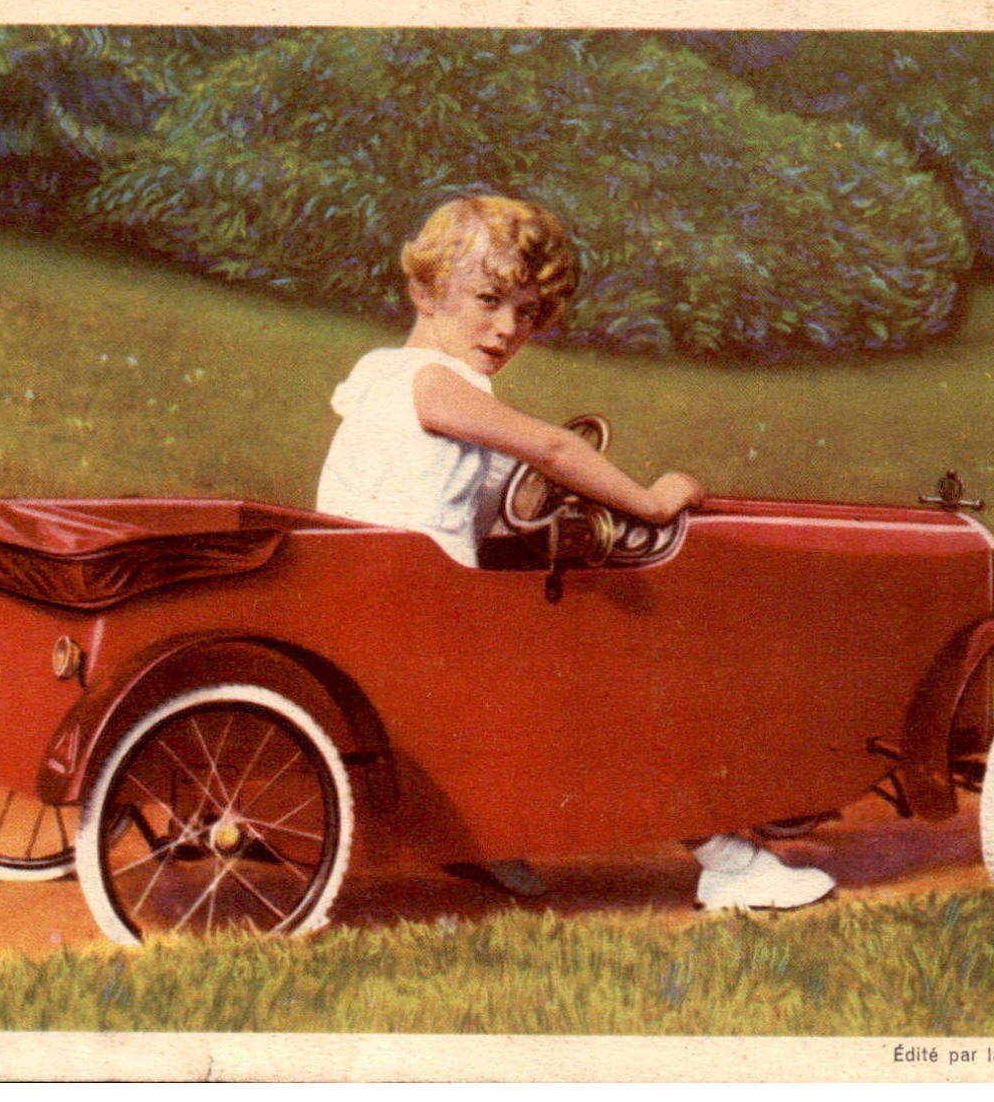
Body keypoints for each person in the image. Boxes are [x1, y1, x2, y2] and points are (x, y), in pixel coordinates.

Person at [316, 194, 835, 911]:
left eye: (526, 312)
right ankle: (727, 861)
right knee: (612, 685)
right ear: (424, 291)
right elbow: (554, 449)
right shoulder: (435, 385)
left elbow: (486, 486)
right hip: (417, 612)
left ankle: (482, 834)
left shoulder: (379, 376)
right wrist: (650, 502)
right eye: (488, 300)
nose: (506, 329)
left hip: (366, 599)